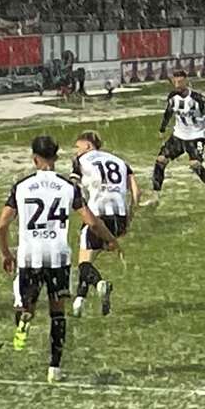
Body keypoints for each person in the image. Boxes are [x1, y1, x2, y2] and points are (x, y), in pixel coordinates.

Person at [0, 134, 120, 381]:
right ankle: (55, 368)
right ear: (55, 157)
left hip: (29, 255)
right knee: (57, 312)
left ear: (34, 159)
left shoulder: (21, 186)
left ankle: (24, 315)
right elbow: (91, 221)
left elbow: (1, 225)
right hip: (57, 256)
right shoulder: (67, 187)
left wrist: (6, 252)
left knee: (25, 301)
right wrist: (110, 239)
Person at [68, 130, 138, 317]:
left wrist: (79, 207)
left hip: (98, 215)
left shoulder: (81, 161)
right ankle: (79, 302)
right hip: (119, 217)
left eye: (78, 147)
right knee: (88, 262)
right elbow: (136, 192)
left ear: (88, 146)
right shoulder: (120, 161)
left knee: (84, 264)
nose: (76, 151)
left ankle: (100, 284)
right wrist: (129, 216)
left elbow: (73, 186)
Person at [143, 69, 205, 208]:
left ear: (186, 81)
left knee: (195, 165)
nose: (177, 84)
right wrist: (162, 129)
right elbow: (168, 112)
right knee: (160, 161)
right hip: (178, 136)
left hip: (196, 137)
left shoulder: (198, 99)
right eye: (175, 81)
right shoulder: (172, 97)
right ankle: (155, 196)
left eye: (180, 81)